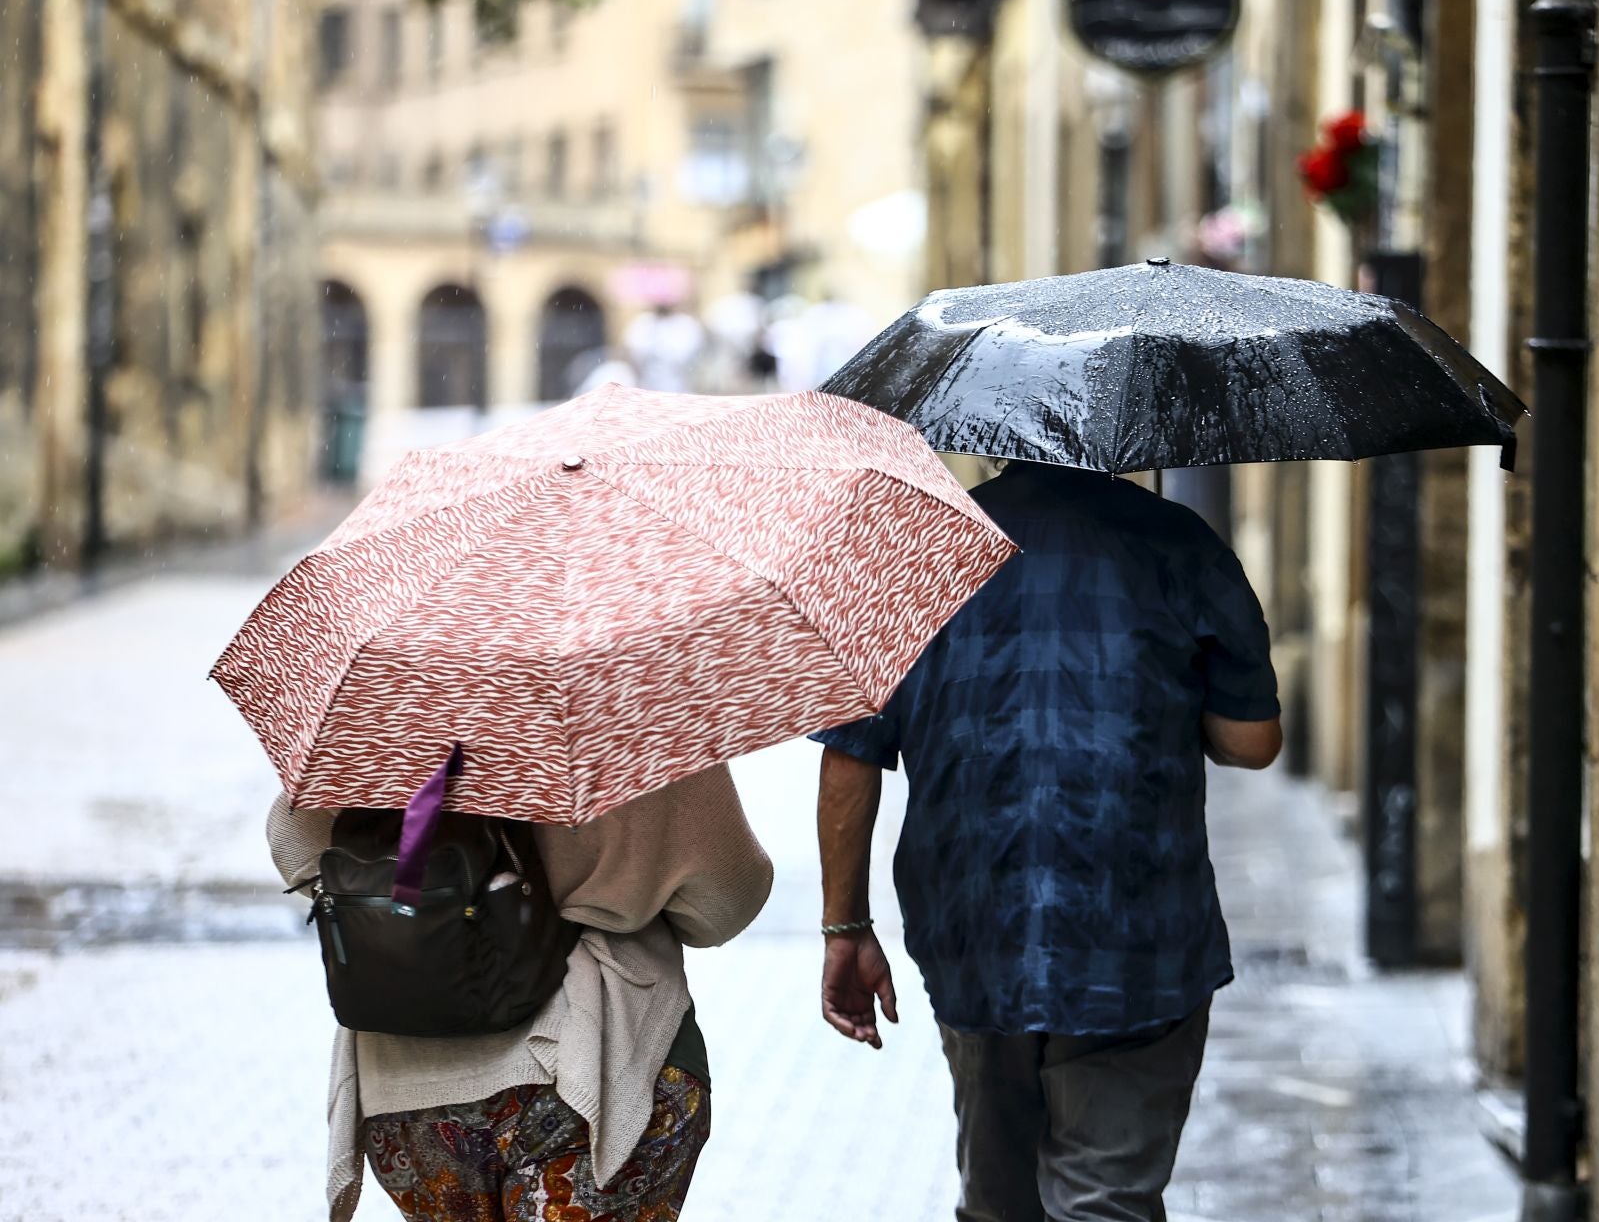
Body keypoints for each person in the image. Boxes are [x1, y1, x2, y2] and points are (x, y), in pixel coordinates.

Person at [812, 461, 1282, 1222]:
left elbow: (851, 754)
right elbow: (1254, 741)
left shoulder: (914, 548)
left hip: (974, 928)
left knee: (999, 1200)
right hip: (1136, 934)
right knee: (1108, 1202)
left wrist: (845, 926)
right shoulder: (1179, 543)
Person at [269, 765, 773, 1222]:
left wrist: (414, 901)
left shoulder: (390, 697)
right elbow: (725, 898)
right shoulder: (625, 697)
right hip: (586, 1061)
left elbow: (295, 842)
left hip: (404, 1084)